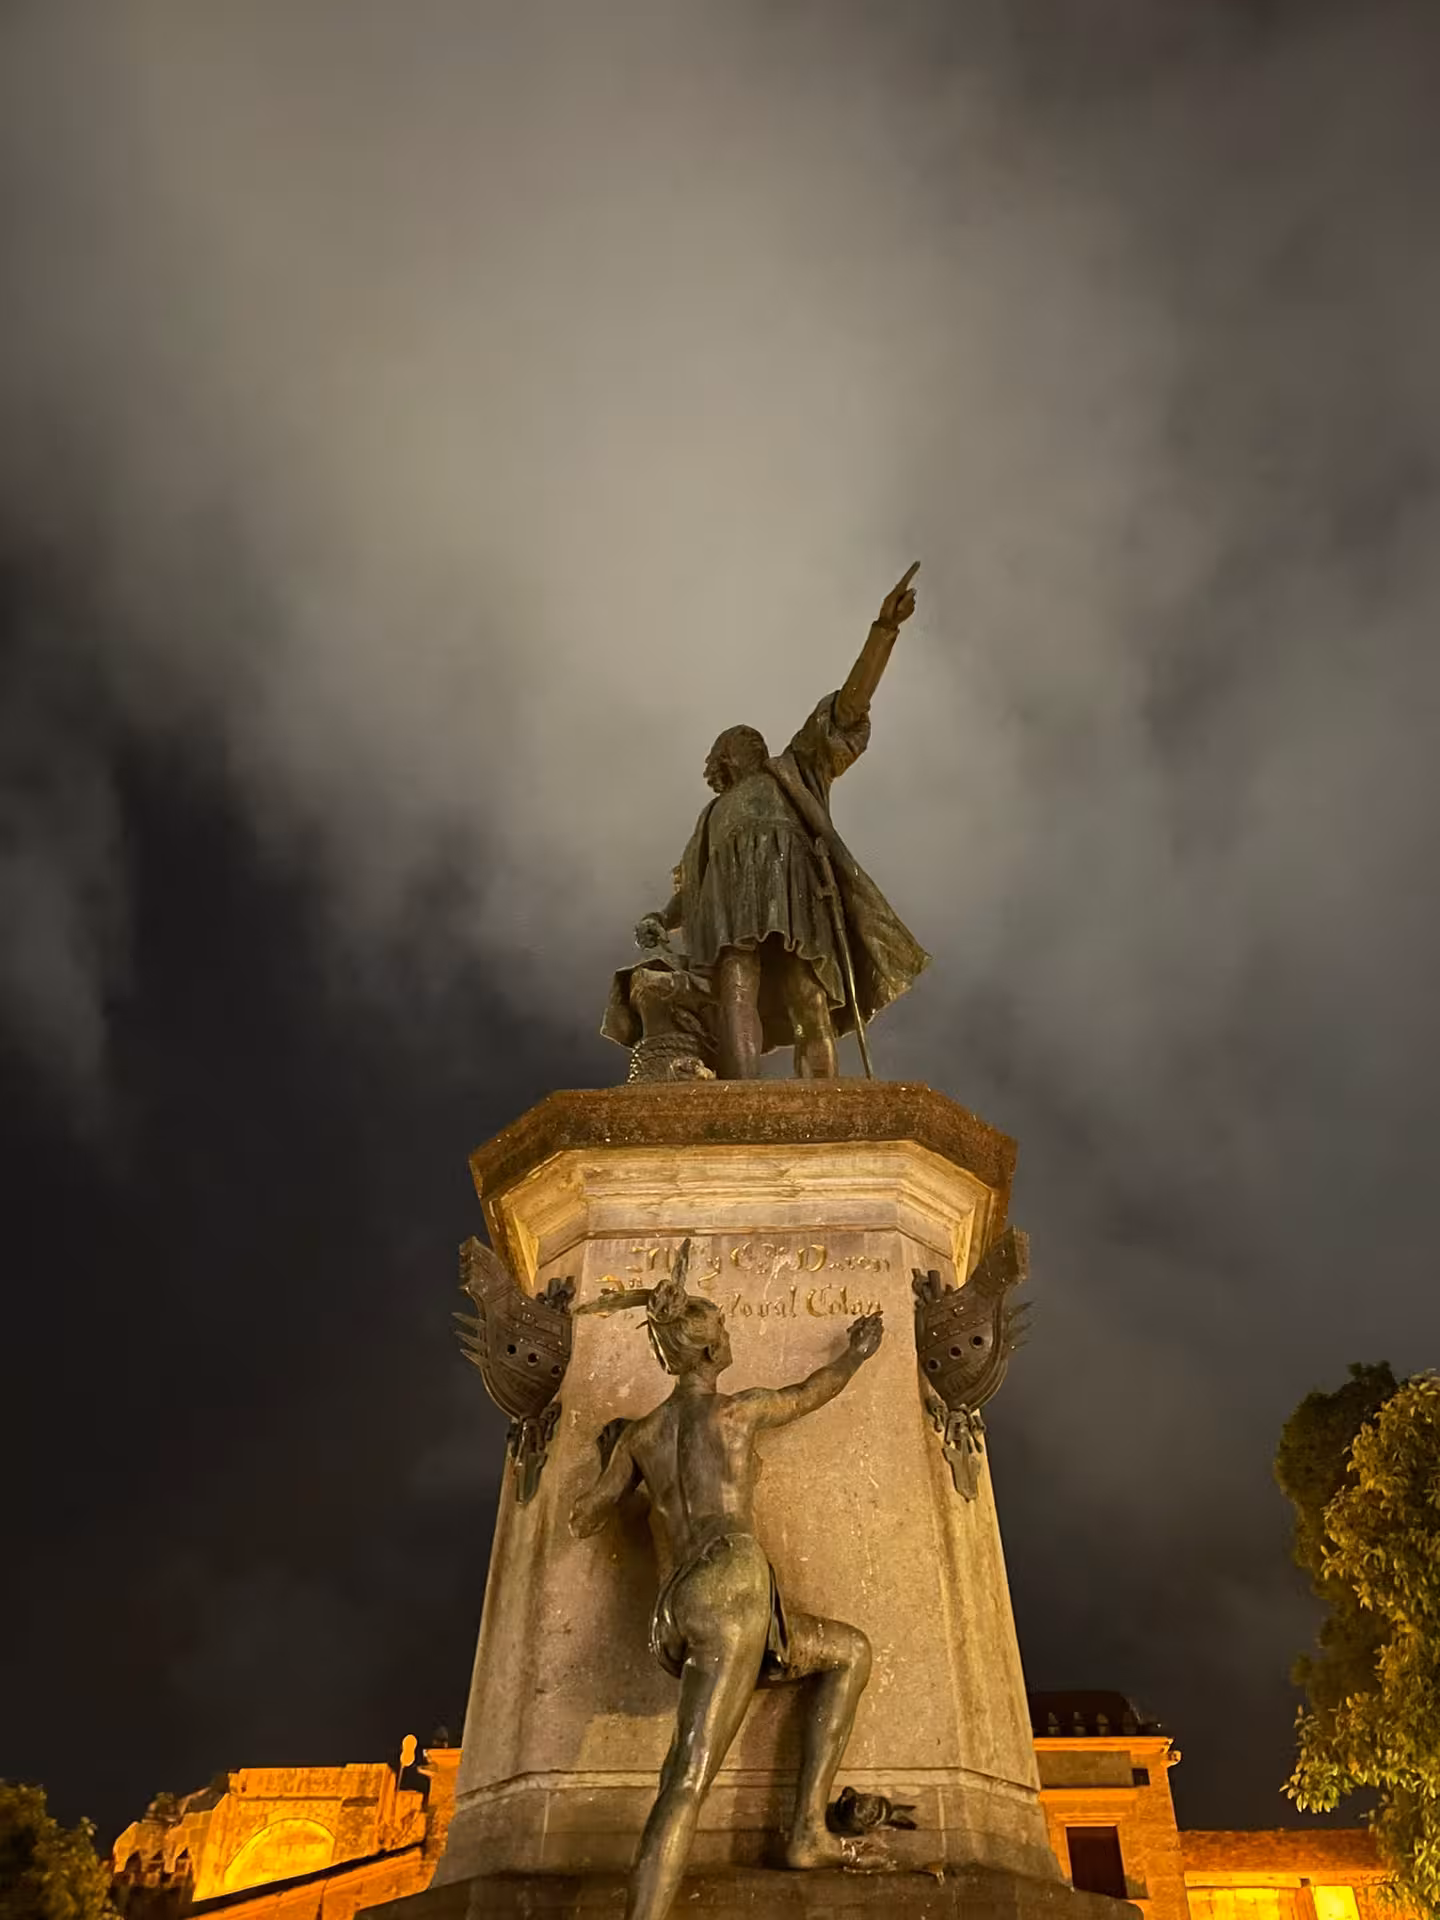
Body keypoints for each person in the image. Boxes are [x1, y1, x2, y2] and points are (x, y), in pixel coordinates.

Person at [571, 1244, 884, 1920]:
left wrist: (608, 1469)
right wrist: (856, 1355)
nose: (733, 1338)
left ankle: (806, 1831)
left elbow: (586, 1517)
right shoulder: (738, 1413)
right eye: (727, 1334)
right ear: (710, 1353)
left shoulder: (641, 1436)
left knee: (848, 1651)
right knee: (685, 1777)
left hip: (677, 1605)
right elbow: (813, 1390)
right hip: (733, 1578)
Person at [638, 566, 929, 1079]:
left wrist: (882, 633)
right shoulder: (709, 819)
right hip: (730, 907)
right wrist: (663, 917)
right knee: (736, 986)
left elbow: (848, 706)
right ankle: (746, 1094)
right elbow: (694, 887)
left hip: (796, 894)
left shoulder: (795, 768)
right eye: (739, 741)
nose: (754, 743)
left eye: (753, 739)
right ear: (722, 761)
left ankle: (823, 1099)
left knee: (808, 994)